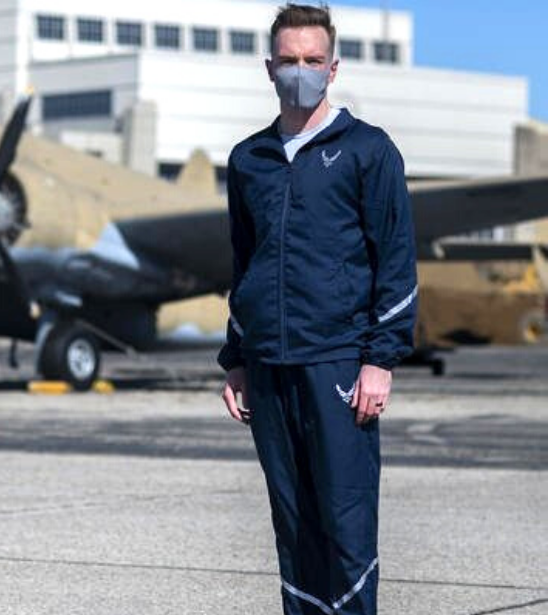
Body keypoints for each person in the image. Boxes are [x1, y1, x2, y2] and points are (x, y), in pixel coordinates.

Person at [218, 4, 416, 614]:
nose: (299, 71)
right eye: (288, 61)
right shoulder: (248, 160)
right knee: (294, 521)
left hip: (338, 366)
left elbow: (397, 260)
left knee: (346, 523)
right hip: (270, 366)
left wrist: (380, 360)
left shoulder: (368, 150)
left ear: (333, 68)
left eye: (311, 61)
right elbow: (244, 264)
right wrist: (236, 358)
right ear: (268, 67)